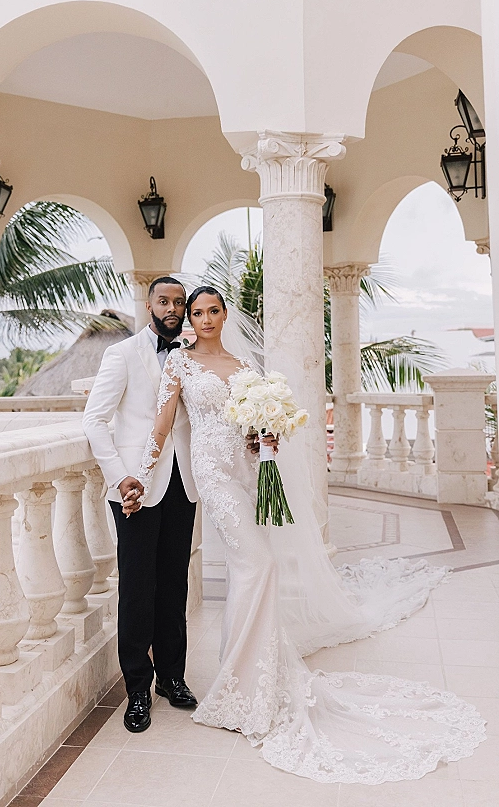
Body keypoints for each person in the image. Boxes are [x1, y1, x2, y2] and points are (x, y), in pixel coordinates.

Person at [125, 285, 486, 783]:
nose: (205, 319)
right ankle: (242, 682)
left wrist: (264, 440)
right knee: (259, 565)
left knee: (252, 570)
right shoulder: (179, 364)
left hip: (248, 477)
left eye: (213, 311)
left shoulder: (247, 371)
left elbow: (253, 439)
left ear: (225, 315)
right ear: (188, 317)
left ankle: (253, 680)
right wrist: (141, 476)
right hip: (212, 475)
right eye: (196, 312)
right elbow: (163, 426)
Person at [82, 276, 199, 733]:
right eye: (164, 300)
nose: (172, 308)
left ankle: (172, 676)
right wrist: (120, 475)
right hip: (134, 488)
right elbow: (95, 420)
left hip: (180, 485)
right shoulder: (122, 354)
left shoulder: (192, 355)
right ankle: (136, 688)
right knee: (136, 587)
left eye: (179, 302)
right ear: (149, 304)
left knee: (173, 582)